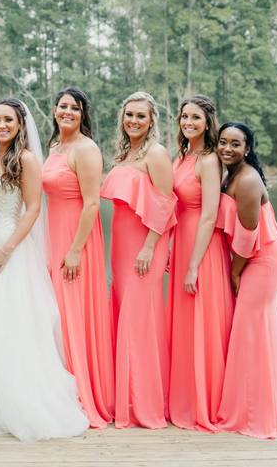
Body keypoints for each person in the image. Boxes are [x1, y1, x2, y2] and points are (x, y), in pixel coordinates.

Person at [0, 98, 89, 441]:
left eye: (8, 120)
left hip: (8, 246)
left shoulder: (26, 160)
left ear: (19, 124)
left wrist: (8, 248)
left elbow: (32, 209)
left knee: (9, 322)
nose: (1, 125)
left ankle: (18, 400)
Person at [100, 92, 175, 429]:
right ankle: (123, 398)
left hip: (146, 247)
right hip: (122, 244)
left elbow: (166, 203)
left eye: (140, 116)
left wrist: (148, 247)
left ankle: (143, 403)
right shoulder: (126, 154)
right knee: (124, 317)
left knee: (139, 321)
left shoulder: (157, 154)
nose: (133, 121)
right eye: (129, 114)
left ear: (151, 121)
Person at [214, 122, 277, 438]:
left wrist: (234, 271)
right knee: (262, 330)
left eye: (235, 144)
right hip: (255, 256)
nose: (227, 149)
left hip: (264, 259)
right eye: (222, 142)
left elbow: (248, 235)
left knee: (249, 331)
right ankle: (271, 405)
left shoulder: (247, 180)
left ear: (247, 149)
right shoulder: (231, 174)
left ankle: (253, 415)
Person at [41, 86, 114, 428]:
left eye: (74, 107)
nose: (66, 112)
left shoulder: (86, 149)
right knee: (54, 314)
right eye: (62, 106)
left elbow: (92, 203)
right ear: (54, 110)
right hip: (52, 233)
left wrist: (74, 251)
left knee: (72, 315)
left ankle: (82, 393)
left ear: (83, 114)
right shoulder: (55, 146)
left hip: (76, 238)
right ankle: (56, 388)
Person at [167, 94, 234, 432]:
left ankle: (204, 402)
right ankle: (183, 398)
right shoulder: (183, 156)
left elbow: (209, 215)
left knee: (202, 321)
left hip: (202, 248)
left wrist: (194, 264)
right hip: (182, 243)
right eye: (184, 117)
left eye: (195, 117)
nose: (188, 123)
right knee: (183, 324)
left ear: (208, 122)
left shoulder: (208, 160)